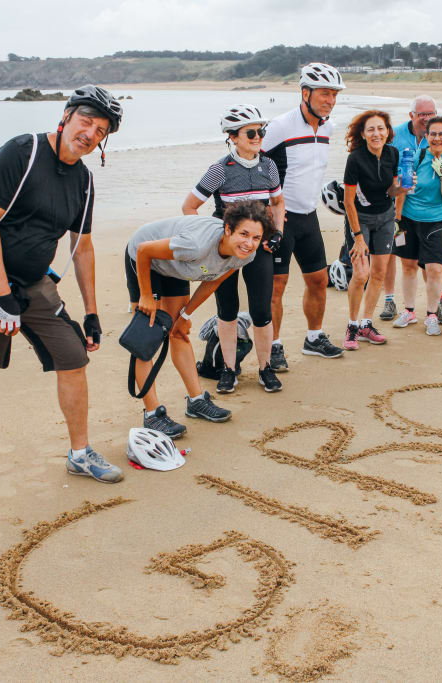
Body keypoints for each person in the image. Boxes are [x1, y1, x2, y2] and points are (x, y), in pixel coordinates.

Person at [0, 85, 124, 495]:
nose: (91, 134)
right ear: (65, 117)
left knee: (73, 354)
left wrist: (92, 311)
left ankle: (80, 454)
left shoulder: (83, 180)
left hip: (32, 283)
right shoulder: (21, 152)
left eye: (101, 130)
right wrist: (1, 293)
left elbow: (82, 248)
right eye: (86, 122)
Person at [125, 202, 274, 438]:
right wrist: (146, 295)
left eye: (256, 237)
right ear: (228, 230)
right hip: (147, 258)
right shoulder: (196, 245)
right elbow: (144, 250)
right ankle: (152, 414)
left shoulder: (245, 255)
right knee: (147, 338)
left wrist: (186, 315)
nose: (249, 243)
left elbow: (213, 280)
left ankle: (196, 401)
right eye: (243, 234)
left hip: (176, 266)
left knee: (178, 332)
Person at [181, 105, 285, 393]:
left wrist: (277, 234)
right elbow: (189, 207)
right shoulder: (219, 170)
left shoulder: (269, 166)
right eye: (250, 132)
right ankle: (228, 369)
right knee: (227, 311)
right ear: (232, 137)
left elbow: (277, 203)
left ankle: (265, 369)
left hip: (258, 247)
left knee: (262, 312)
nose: (257, 137)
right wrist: (210, 241)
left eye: (261, 131)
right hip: (226, 252)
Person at [262, 63, 346, 366]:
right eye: (325, 93)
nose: (330, 100)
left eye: (334, 94)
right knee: (276, 288)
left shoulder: (328, 127)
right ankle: (273, 347)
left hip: (309, 217)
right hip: (279, 219)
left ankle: (314, 338)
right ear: (305, 92)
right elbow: (256, 164)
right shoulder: (281, 126)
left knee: (319, 280)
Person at [341, 109, 408, 349]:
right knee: (361, 274)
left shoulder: (393, 153)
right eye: (371, 129)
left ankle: (366, 324)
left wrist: (402, 190)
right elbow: (348, 201)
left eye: (381, 128)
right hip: (360, 220)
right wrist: (358, 238)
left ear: (388, 131)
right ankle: (351, 325)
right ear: (363, 133)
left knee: (379, 273)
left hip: (386, 218)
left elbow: (390, 191)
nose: (376, 133)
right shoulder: (355, 159)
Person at [390, 116, 442, 335]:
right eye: (433, 134)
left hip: (435, 221)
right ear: (426, 136)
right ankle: (409, 311)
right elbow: (397, 191)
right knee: (408, 266)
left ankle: (431, 315)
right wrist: (396, 218)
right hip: (407, 220)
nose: (437, 138)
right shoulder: (415, 156)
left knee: (434, 270)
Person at [381, 95, 436, 322]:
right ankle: (389, 299)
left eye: (430, 114)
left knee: (426, 257)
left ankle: (435, 304)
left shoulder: (437, 136)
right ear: (411, 115)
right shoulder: (394, 135)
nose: (426, 118)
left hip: (422, 207)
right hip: (393, 205)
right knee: (392, 251)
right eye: (422, 114)